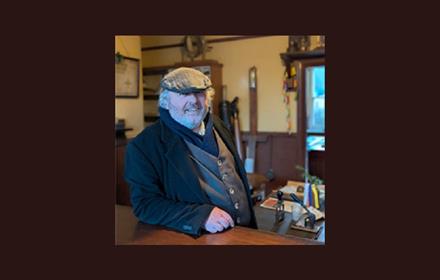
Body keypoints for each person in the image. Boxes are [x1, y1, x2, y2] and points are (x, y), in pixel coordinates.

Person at [124, 67, 257, 236]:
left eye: (199, 93)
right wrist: (200, 216)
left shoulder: (219, 125)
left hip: (248, 233)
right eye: (183, 94)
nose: (194, 100)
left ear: (208, 98)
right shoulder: (143, 146)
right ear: (166, 100)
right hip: (203, 239)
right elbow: (145, 205)